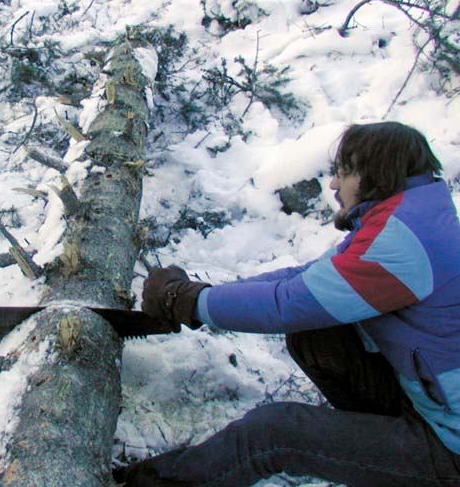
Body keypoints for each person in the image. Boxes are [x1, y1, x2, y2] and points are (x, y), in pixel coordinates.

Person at [121, 121, 460, 486]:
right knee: (318, 335)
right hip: (431, 404)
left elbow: (290, 304)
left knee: (272, 434)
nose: (334, 185)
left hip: (450, 446)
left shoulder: (402, 242)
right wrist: (200, 293)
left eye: (344, 173)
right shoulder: (414, 215)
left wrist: (189, 301)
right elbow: (308, 278)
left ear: (377, 174)